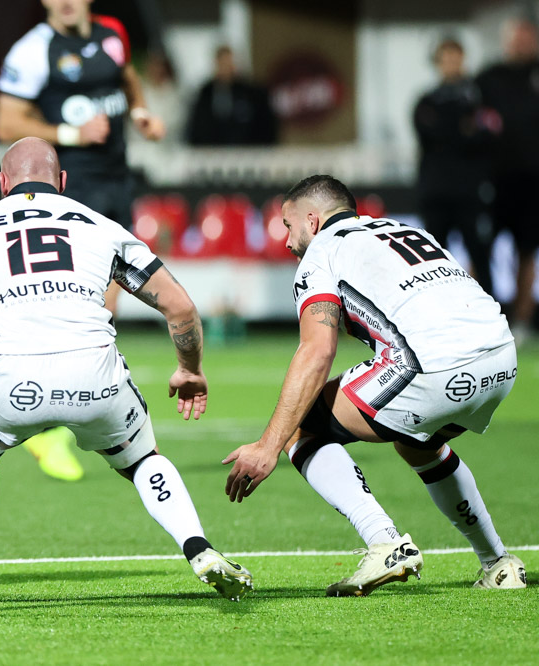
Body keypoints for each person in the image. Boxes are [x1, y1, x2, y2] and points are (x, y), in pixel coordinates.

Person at [0, 137, 253, 615]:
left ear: (2, 184)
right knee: (143, 458)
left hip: (12, 382)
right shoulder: (103, 228)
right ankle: (199, 549)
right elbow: (180, 306)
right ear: (62, 182)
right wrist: (190, 370)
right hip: (94, 377)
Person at [222, 175, 526, 596]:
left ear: (312, 220)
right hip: (502, 358)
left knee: (299, 425)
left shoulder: (322, 253)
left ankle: (384, 541)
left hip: (432, 368)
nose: (287, 242)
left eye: (288, 226)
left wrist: (268, 445)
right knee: (418, 441)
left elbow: (316, 351)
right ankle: (498, 562)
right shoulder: (405, 229)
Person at [0, 0, 166, 480]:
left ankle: (68, 420)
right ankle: (49, 423)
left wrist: (141, 111)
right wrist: (71, 131)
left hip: (117, 182)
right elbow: (6, 124)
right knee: (76, 305)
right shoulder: (32, 50)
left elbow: (126, 78)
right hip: (67, 186)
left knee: (106, 308)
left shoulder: (112, 32)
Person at [413, 38, 496, 296]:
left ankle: (491, 316)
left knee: (480, 255)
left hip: (470, 193)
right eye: (445, 58)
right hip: (436, 193)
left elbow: (488, 135)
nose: (451, 63)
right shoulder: (425, 101)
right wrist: (463, 130)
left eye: (455, 57)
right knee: (431, 259)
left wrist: (461, 132)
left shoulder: (479, 97)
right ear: (437, 63)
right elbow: (433, 134)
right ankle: (433, 315)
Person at [476, 18, 539, 339]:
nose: (522, 43)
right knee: (479, 249)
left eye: (528, 37)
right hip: (494, 180)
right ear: (506, 41)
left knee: (527, 253)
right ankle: (474, 318)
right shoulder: (489, 78)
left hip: (533, 182)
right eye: (517, 37)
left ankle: (523, 323)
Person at [186, 45, 277, 146]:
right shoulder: (205, 93)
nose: (226, 67)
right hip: (213, 153)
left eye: (229, 62)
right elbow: (197, 127)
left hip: (247, 151)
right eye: (222, 63)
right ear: (216, 64)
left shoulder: (253, 93)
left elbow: (265, 126)